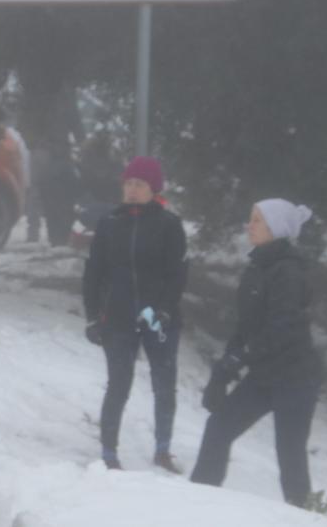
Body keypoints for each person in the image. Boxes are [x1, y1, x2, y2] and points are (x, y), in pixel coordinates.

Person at [191, 199, 322, 508]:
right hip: (264, 375)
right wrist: (221, 373)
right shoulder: (257, 267)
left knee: (289, 454)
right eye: (251, 219)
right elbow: (246, 326)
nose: (249, 225)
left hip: (295, 378)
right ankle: (195, 505)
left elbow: (282, 327)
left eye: (257, 221)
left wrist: (242, 357)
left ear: (276, 229)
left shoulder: (288, 271)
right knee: (218, 428)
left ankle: (307, 516)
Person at [82, 156, 188, 472]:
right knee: (119, 382)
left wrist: (166, 310)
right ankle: (109, 452)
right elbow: (94, 272)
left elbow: (178, 274)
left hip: (158, 317)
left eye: (139, 184)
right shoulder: (110, 223)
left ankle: (163, 449)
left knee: (164, 382)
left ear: (153, 189)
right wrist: (92, 315)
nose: (131, 189)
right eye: (128, 183)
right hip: (117, 317)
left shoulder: (170, 225)